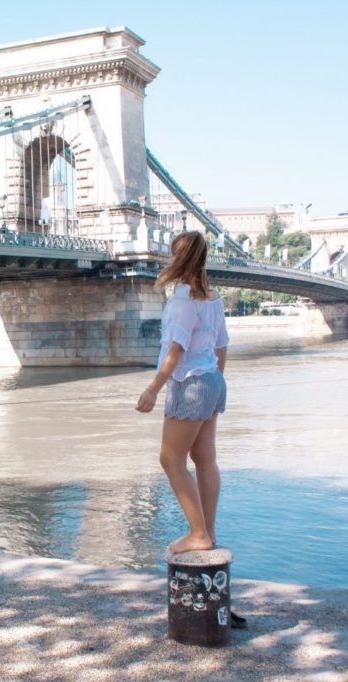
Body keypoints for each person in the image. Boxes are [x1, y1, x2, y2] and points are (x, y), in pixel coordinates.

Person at [136, 230, 229, 555]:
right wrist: (212, 386)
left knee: (170, 458)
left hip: (190, 384)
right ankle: (208, 531)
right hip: (212, 381)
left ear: (179, 258)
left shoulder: (182, 301)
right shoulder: (213, 298)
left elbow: (176, 350)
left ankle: (197, 533)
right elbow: (221, 347)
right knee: (205, 459)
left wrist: (152, 389)